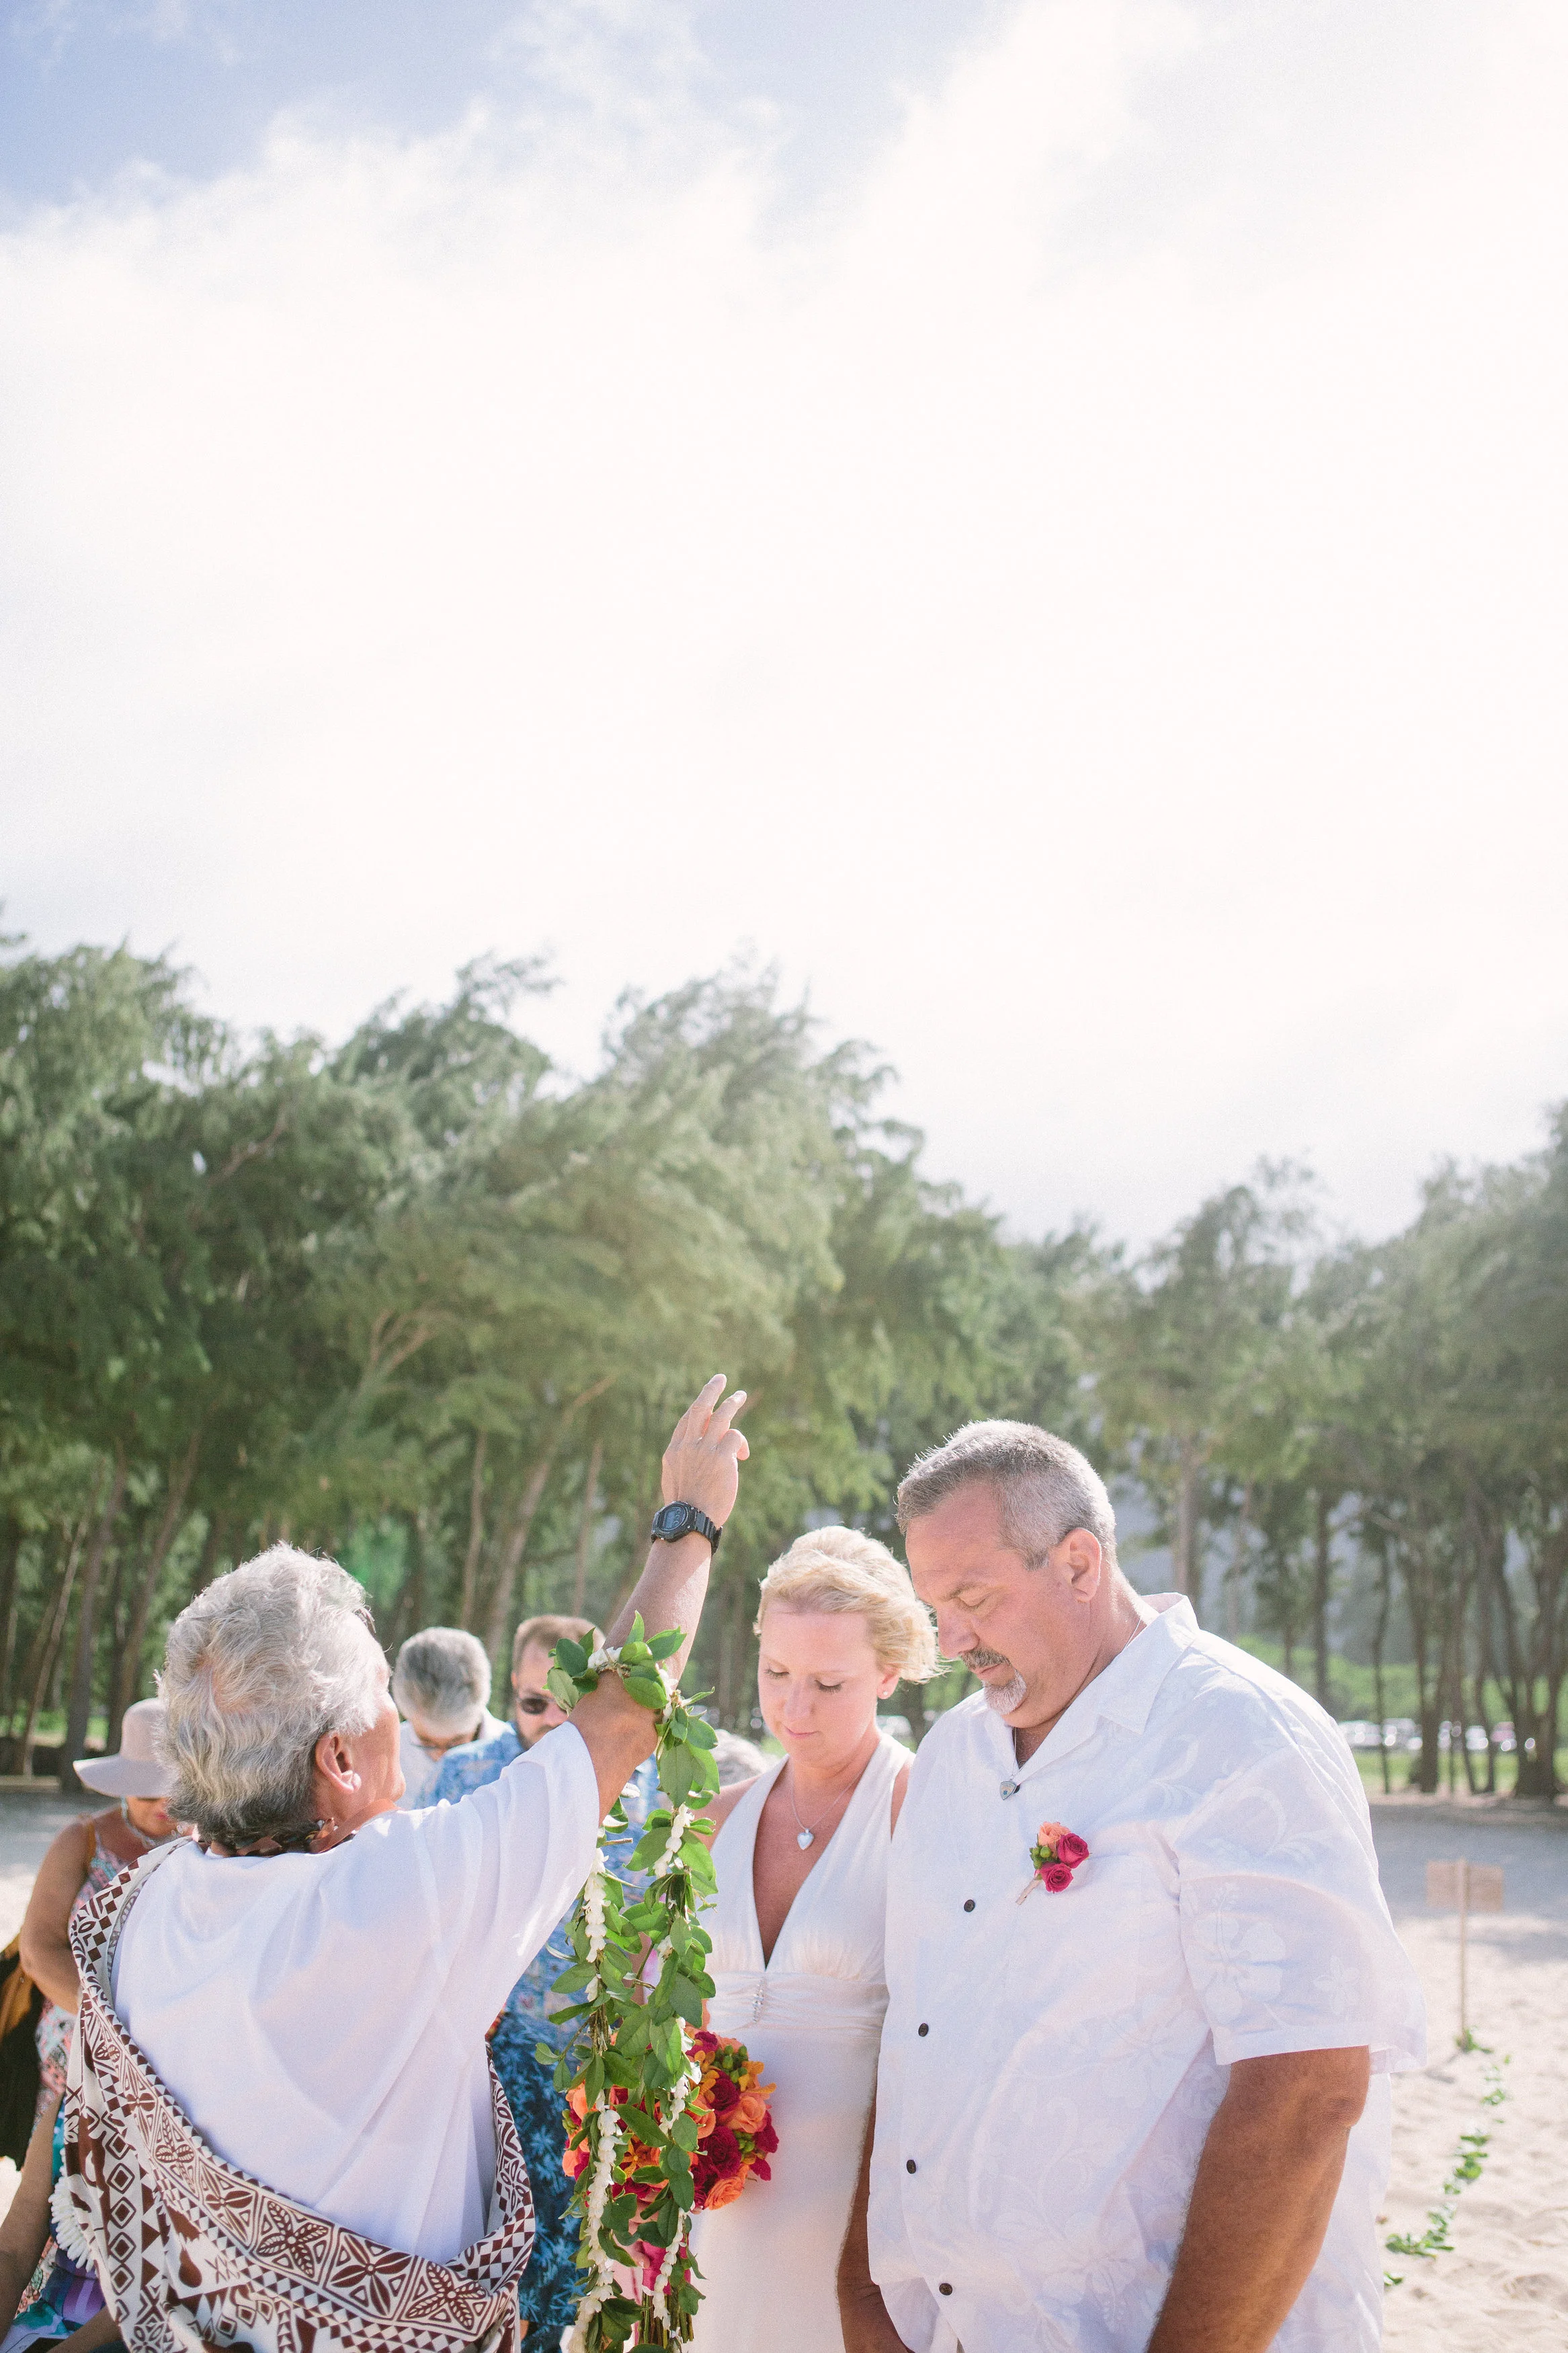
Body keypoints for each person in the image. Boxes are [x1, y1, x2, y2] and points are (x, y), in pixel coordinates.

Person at [58, 1376, 748, 2353]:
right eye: (382, 1688)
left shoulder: (145, 1903)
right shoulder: (389, 1897)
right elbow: (624, 1717)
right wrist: (689, 1521)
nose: (396, 1709)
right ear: (338, 1759)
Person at [838, 1421, 1427, 2353]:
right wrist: (866, 2297)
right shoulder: (950, 1754)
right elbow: (916, 2031)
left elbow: (1308, 2089)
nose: (951, 1640)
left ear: (1078, 1563)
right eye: (933, 1605)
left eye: (973, 1596)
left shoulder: (1238, 1736)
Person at [690, 1526, 938, 2353]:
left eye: (829, 1683)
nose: (793, 1709)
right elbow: (671, 2019)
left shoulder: (921, 1810)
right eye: (777, 1674)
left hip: (853, 2234)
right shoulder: (715, 1819)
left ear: (888, 1671)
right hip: (710, 2227)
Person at [428, 1613, 661, 2347]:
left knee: (584, 2279)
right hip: (490, 2057)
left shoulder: (652, 1785)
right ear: (511, 1697)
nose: (556, 1718)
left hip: (605, 2066)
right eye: (535, 1701)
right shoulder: (464, 1777)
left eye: (573, 1698)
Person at [19, 1700, 179, 2104]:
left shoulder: (208, 1848)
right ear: (124, 1785)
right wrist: (111, 2031)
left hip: (171, 2051)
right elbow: (38, 1950)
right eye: (147, 1791)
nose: (163, 1805)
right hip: (78, 2034)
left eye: (176, 1790)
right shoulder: (81, 1842)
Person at [0, 2089, 118, 2352]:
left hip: (144, 2336)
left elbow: (160, 2296)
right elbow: (11, 2252)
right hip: (43, 2327)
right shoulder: (70, 2108)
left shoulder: (190, 2122)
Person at [392, 1624, 509, 1807]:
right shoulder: (388, 1758)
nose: (441, 1756)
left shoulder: (516, 1760)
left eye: (456, 1743)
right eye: (427, 1743)